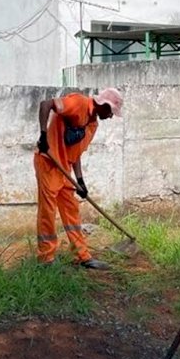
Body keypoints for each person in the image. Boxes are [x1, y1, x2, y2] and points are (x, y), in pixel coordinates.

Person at [34, 88, 122, 269]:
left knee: (71, 209)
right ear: (104, 105)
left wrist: (80, 181)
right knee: (48, 211)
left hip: (64, 167)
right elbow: (46, 105)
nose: (111, 117)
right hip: (49, 162)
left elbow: (76, 152)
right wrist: (43, 135)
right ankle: (46, 258)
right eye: (111, 112)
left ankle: (82, 256)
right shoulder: (78, 103)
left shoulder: (92, 125)